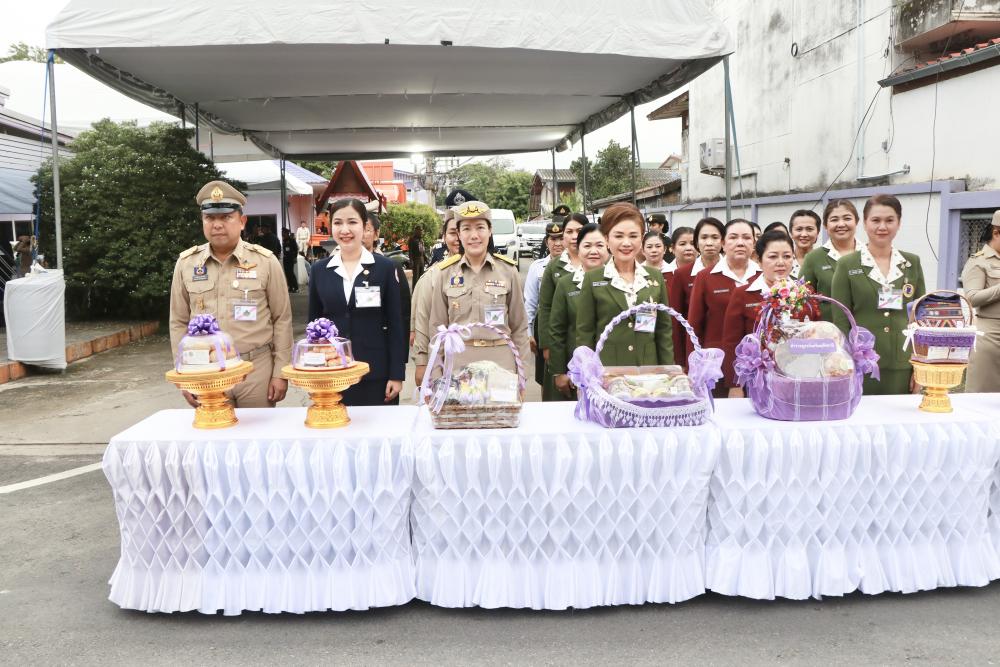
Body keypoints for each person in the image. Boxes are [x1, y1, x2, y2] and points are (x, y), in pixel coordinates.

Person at [169, 180, 292, 408]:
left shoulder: (265, 261)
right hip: (206, 369)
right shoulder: (187, 264)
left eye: (226, 217)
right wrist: (183, 373)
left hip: (256, 369)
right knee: (214, 429)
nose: (217, 225)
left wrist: (280, 372)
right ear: (202, 221)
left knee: (258, 431)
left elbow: (281, 318)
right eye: (210, 218)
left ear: (242, 222)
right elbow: (178, 321)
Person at [308, 199, 405, 405]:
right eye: (338, 223)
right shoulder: (319, 270)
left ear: (364, 225)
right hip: (333, 373)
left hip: (376, 373)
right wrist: (314, 372)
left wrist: (397, 374)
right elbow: (313, 327)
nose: (345, 230)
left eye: (352, 222)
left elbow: (396, 324)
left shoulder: (385, 268)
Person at [418, 201, 530, 380]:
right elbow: (437, 330)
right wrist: (436, 375)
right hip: (458, 365)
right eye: (466, 229)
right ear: (459, 234)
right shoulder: (445, 273)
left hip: (501, 364)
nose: (474, 235)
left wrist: (522, 374)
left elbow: (520, 328)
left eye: (480, 227)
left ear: (490, 231)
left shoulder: (508, 271)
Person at [831, 194, 925, 395]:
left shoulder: (912, 263)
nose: (882, 227)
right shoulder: (847, 265)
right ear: (865, 223)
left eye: (889, 220)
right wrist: (847, 362)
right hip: (862, 365)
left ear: (899, 223)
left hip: (903, 364)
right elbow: (841, 320)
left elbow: (920, 319)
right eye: (876, 220)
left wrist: (920, 366)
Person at [722, 230, 820, 397]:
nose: (781, 262)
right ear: (759, 261)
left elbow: (816, 334)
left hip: (800, 376)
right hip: (758, 379)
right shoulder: (743, 294)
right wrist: (735, 384)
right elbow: (732, 343)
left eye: (787, 256)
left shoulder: (805, 292)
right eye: (773, 257)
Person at [576, 203, 674, 366]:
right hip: (607, 371)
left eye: (633, 236)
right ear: (606, 239)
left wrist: (668, 370)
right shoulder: (593, 279)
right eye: (619, 236)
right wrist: (587, 373)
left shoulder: (655, 277)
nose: (626, 243)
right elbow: (585, 333)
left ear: (641, 238)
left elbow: (663, 332)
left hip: (648, 372)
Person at [687, 219, 761, 395]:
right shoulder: (705, 277)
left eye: (746, 238)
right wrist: (692, 369)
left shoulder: (763, 276)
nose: (740, 243)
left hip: (759, 365)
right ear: (723, 243)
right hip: (715, 365)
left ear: (754, 243)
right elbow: (694, 326)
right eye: (733, 237)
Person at [549, 223, 608, 397]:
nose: (593, 251)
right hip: (576, 367)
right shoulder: (566, 284)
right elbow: (557, 330)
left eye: (599, 245)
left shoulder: (619, 281)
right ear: (578, 249)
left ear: (608, 247)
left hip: (611, 365)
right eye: (587, 246)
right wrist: (559, 371)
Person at [537, 212, 586, 400]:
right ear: (563, 236)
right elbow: (545, 308)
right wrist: (546, 345)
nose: (574, 236)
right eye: (570, 231)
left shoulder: (599, 262)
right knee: (561, 395)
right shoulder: (554, 266)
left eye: (579, 231)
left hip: (589, 341)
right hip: (560, 341)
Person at [411, 211, 461, 385]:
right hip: (444, 361)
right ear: (444, 237)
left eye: (464, 230)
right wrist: (421, 362)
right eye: (453, 233)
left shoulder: (494, 272)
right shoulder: (433, 276)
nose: (459, 238)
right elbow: (422, 320)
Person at [669, 217, 724, 368]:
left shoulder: (733, 272)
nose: (709, 243)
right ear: (697, 242)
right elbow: (676, 320)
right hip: (696, 349)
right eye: (704, 237)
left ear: (723, 241)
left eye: (715, 237)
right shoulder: (682, 274)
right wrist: (681, 362)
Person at [799, 199, 860, 321]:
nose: (841, 224)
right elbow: (801, 300)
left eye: (847, 218)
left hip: (866, 329)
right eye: (834, 220)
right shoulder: (813, 258)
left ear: (856, 222)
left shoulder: (869, 254)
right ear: (825, 225)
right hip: (828, 330)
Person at [962, 210, 1000, 392]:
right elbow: (971, 297)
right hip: (991, 337)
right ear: (996, 233)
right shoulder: (978, 261)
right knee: (983, 396)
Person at [524, 221, 566, 387]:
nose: (557, 243)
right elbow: (530, 303)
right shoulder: (537, 267)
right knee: (546, 378)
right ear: (546, 242)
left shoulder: (577, 265)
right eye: (553, 239)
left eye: (561, 238)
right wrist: (528, 332)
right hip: (545, 328)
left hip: (568, 328)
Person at [365, 212, 411, 360]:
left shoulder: (390, 267)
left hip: (380, 350)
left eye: (366, 229)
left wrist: (400, 357)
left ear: (376, 234)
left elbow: (403, 313)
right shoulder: (334, 269)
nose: (361, 234)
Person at [788, 210, 821, 278]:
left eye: (809, 229)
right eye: (799, 229)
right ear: (791, 233)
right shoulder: (783, 262)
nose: (804, 234)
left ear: (818, 232)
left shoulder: (825, 262)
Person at [281, 228, 299, 293]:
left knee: (291, 273)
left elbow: (296, 249)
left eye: (283, 233)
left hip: (290, 258)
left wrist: (295, 257)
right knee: (287, 273)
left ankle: (296, 287)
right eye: (282, 233)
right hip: (285, 258)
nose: (282, 234)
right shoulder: (284, 240)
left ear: (287, 233)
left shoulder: (291, 240)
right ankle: (290, 287)